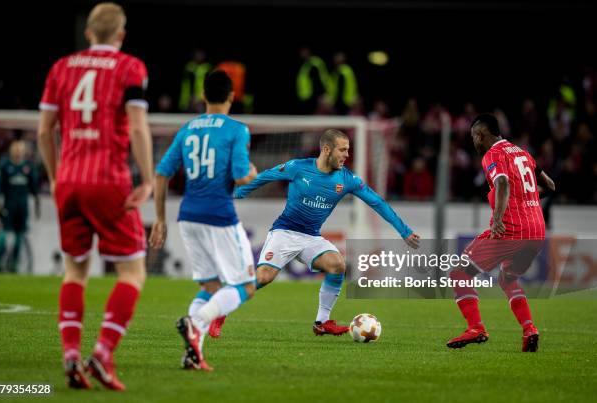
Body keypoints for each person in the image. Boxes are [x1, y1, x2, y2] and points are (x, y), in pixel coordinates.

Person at [37, 2, 153, 390]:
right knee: (132, 273)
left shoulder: (60, 68)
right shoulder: (130, 67)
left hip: (69, 179)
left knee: (74, 271)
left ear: (88, 33)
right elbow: (137, 127)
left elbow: (43, 131)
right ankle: (102, 354)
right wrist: (148, 180)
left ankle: (71, 355)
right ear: (120, 35)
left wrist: (55, 178)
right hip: (109, 181)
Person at [234, 129, 420, 336]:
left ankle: (322, 322)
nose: (347, 155)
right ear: (326, 149)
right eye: (342, 150)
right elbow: (265, 177)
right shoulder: (298, 167)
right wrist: (238, 193)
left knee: (337, 265)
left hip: (311, 237)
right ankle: (221, 311)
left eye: (348, 150)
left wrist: (404, 231)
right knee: (264, 277)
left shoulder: (347, 179)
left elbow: (377, 202)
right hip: (284, 232)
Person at [149, 70, 258, 371]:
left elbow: (161, 173)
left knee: (211, 286)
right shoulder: (237, 129)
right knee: (246, 286)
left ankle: (192, 354)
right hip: (219, 216)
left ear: (203, 96)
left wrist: (160, 219)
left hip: (188, 217)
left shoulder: (187, 129)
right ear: (232, 96)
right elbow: (240, 176)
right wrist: (252, 173)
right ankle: (195, 323)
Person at [447, 114, 555, 352]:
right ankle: (529, 330)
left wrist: (497, 220)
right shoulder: (522, 153)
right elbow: (550, 186)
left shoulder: (492, 155)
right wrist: (528, 200)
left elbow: (503, 182)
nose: (474, 143)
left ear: (480, 135)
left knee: (458, 273)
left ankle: (476, 328)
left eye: (473, 137)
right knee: (507, 278)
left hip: (511, 229)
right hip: (537, 231)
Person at [0, 139, 40, 273]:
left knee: (20, 235)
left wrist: (37, 205)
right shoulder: (5, 166)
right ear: (11, 151)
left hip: (22, 207)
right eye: (16, 149)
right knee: (3, 235)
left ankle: (14, 263)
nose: (19, 152)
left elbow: (34, 188)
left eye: (21, 150)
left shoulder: (28, 167)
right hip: (8, 206)